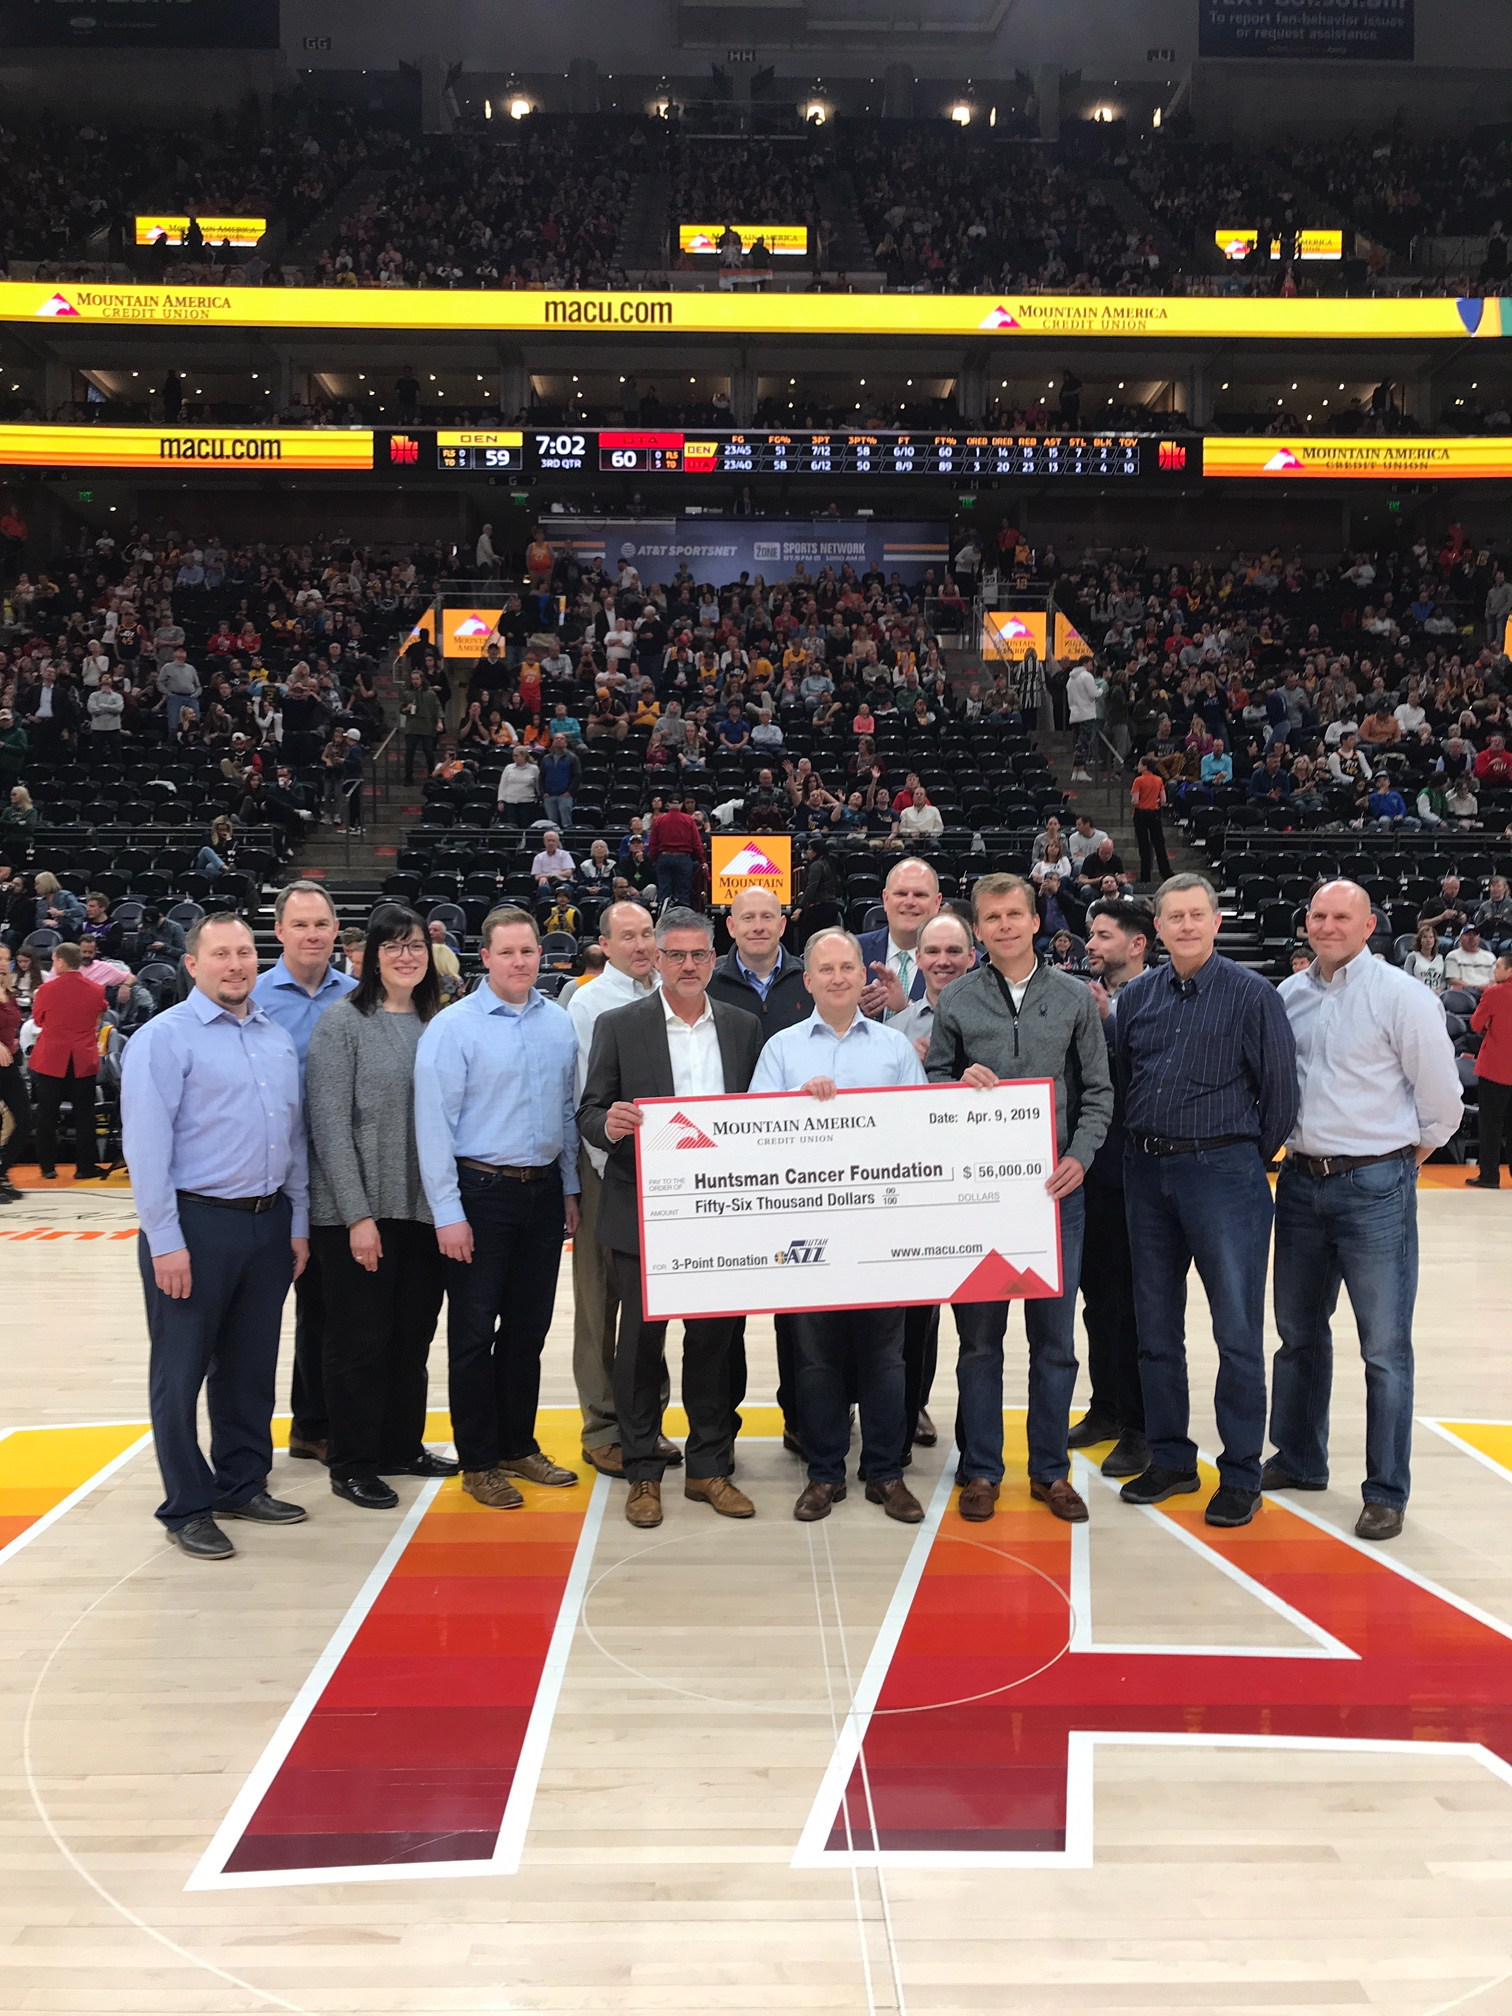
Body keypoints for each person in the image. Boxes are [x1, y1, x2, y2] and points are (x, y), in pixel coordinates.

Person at [1268, 882, 1464, 1542]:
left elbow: (1442, 1097)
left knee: (1383, 1349)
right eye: (1318, 915)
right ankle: (1298, 1458)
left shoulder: (1401, 996)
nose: (1326, 926)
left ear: (1369, 924)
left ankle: (1385, 1490)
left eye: (1340, 916)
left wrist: (1406, 1158)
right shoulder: (1287, 997)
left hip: (1375, 1184)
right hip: (1298, 1182)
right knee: (1297, 1335)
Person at [120, 914, 309, 1560]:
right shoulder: (163, 1040)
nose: (236, 964)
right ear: (193, 965)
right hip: (194, 1224)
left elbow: (296, 1140)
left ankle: (241, 1482)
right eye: (221, 954)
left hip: (268, 1221)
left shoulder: (276, 1038)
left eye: (244, 954)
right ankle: (187, 1505)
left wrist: (299, 1224)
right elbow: (146, 1150)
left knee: (251, 1367)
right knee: (181, 1371)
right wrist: (165, 1239)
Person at [925, 874, 1113, 1524]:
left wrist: (1078, 1158)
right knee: (980, 1343)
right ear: (978, 928)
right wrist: (953, 1085)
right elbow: (933, 1079)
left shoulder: (1073, 998)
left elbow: (1098, 1092)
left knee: (1054, 1343)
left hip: (1055, 1196)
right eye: (991, 917)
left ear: (1035, 921)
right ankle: (981, 1469)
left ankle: (1050, 1470)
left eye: (1014, 914)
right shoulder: (956, 1001)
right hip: (979, 1200)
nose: (1003, 925)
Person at [1115, 873, 1298, 1529]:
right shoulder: (1135, 998)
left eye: (1197, 915)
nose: (1186, 925)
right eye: (1174, 917)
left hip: (1225, 1173)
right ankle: (1171, 1459)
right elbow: (1123, 1081)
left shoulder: (1254, 996)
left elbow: (1280, 1098)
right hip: (1147, 1172)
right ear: (1157, 929)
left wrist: (1241, 1159)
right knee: (1155, 1329)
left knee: (1238, 1333)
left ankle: (1242, 1473)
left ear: (1216, 922)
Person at [578, 907, 765, 1529]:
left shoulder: (743, 1026)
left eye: (699, 956)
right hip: (644, 1210)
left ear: (715, 959)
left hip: (723, 1214)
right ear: (656, 959)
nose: (688, 966)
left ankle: (709, 1468)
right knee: (640, 1344)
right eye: (676, 955)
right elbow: (589, 1110)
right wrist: (605, 1125)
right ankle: (642, 1472)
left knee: (715, 1342)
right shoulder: (618, 1024)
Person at [751, 929, 930, 1525]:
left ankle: (884, 1472)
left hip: (880, 1227)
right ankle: (825, 1472)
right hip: (807, 1229)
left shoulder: (894, 1050)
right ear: (807, 981)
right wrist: (798, 1106)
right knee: (817, 1358)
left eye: (847, 968)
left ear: (863, 977)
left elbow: (920, 1131)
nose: (836, 977)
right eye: (824, 968)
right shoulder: (781, 1049)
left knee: (886, 1358)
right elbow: (752, 1132)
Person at [414, 907, 581, 1509]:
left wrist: (568, 1188)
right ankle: (479, 1461)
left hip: (540, 1195)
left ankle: (517, 1444)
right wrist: (447, 1213)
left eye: (528, 951)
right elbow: (432, 1126)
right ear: (483, 957)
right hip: (479, 1194)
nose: (519, 962)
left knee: (528, 1332)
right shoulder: (452, 1028)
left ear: (543, 954)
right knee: (472, 1334)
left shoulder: (558, 1023)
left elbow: (565, 1113)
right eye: (507, 952)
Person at [306, 905, 456, 1512]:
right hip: (359, 1213)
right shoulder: (342, 1023)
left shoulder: (438, 1024)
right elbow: (329, 1127)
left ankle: (400, 1444)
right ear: (370, 956)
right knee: (359, 1342)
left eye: (415, 944)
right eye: (392, 945)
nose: (405, 955)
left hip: (422, 1211)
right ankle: (353, 1460)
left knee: (412, 1337)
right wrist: (357, 1216)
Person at [251, 882, 357, 1465]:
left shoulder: (360, 995)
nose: (313, 934)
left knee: (331, 1308)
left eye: (322, 923)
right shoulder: (255, 995)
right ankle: (274, 1434)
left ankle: (317, 1425)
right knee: (270, 1314)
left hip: (341, 1178)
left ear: (336, 928)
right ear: (280, 929)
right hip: (273, 1178)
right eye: (301, 924)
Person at [871, 906, 978, 1445]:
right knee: (915, 1315)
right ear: (918, 960)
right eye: (932, 952)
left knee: (978, 1328)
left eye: (954, 951)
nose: (943, 961)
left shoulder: (995, 1021)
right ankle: (907, 1406)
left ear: (972, 957)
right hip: (914, 1192)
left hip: (980, 1189)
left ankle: (973, 1439)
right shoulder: (894, 1029)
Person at [566, 901, 663, 1477]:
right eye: (628, 936)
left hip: (666, 1174)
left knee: (652, 1304)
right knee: (601, 1304)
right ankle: (603, 1425)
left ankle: (643, 1423)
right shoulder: (590, 1004)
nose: (641, 945)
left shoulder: (665, 993)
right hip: (610, 1170)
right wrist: (605, 1172)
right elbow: (589, 1099)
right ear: (604, 944)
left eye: (648, 933)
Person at [1068, 897, 1154, 1479]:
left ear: (1137, 943)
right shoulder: (1089, 999)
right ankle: (1104, 1406)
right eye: (1090, 935)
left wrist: (1109, 1025)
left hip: (1144, 1173)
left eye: (1102, 935)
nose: (1090, 945)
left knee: (1140, 1309)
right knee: (1099, 1301)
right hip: (1096, 1172)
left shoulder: (1158, 997)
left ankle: (1142, 1427)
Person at [30, 943, 107, 1181]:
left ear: (61, 961)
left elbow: (38, 1020)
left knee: (47, 1114)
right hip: (83, 1059)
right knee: (85, 1114)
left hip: (51, 1058)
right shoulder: (96, 989)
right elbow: (100, 1013)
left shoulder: (46, 990)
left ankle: (47, 1166)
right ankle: (85, 1167)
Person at [706, 884, 810, 1035]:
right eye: (748, 918)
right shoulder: (708, 987)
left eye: (767, 917)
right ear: (732, 927)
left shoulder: (810, 981)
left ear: (781, 926)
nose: (758, 927)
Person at [857, 857, 941, 1018]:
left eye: (920, 895)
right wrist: (849, 1011)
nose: (909, 902)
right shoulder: (852, 951)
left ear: (937, 903)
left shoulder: (961, 964)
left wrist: (906, 1008)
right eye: (901, 893)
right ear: (886, 899)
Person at [1470, 953, 1512, 1189]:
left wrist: (1490, 1024)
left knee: (1490, 1125)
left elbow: (1476, 1024)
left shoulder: (1494, 994)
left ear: (1510, 970)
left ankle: (1489, 1176)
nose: (1494, 971)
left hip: (1495, 1069)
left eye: (1498, 967)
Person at [0, 941, 34, 1202]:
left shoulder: (8, 991)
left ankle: (2, 1172)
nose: (3, 962)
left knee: (24, 1120)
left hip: (8, 1064)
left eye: (6, 958)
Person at [648, 795, 706, 911]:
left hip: (664, 857)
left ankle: (663, 919)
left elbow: (652, 844)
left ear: (668, 805)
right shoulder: (688, 820)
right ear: (681, 805)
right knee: (683, 894)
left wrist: (656, 859)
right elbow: (697, 843)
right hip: (683, 859)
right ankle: (681, 920)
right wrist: (702, 860)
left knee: (664, 893)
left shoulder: (659, 820)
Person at [1129, 756, 1172, 884]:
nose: (1138, 766)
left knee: (1144, 846)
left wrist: (1138, 799)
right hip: (1154, 813)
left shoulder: (1138, 780)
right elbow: (1163, 800)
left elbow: (1135, 801)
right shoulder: (1158, 780)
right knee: (1159, 844)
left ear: (1145, 766)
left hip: (1141, 814)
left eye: (1140, 764)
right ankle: (1166, 873)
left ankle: (1145, 877)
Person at [1446, 924, 1497, 994]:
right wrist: (1474, 987)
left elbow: (1494, 980)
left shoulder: (1490, 957)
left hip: (1487, 992)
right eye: (1468, 934)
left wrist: (1487, 987)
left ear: (1479, 938)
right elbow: (1453, 980)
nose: (1472, 937)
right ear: (1460, 938)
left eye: (1474, 935)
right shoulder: (1453, 956)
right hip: (1463, 993)